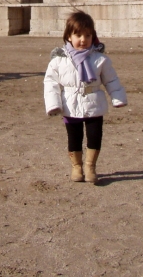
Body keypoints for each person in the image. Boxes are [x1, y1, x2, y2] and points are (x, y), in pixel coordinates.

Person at [44, 10, 127, 184]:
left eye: (88, 35)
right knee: (74, 138)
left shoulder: (100, 59)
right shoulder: (59, 60)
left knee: (94, 136)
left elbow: (111, 79)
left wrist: (118, 97)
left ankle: (90, 166)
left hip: (94, 104)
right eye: (78, 35)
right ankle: (77, 167)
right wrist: (53, 104)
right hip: (70, 104)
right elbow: (50, 83)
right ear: (68, 36)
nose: (83, 40)